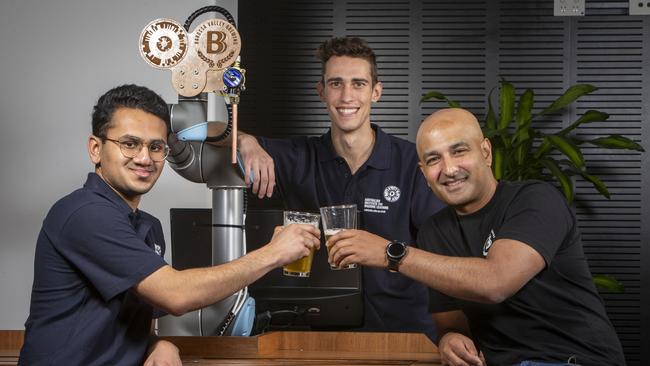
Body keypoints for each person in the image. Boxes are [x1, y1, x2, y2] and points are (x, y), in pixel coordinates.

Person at [18, 84, 320, 366]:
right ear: (96, 149)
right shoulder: (84, 213)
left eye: (156, 147)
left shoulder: (145, 225)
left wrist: (154, 344)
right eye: (129, 144)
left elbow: (128, 319)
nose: (144, 158)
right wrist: (273, 253)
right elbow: (175, 295)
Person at [328, 107, 625, 365]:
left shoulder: (535, 199)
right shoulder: (434, 231)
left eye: (459, 151)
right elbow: (451, 323)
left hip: (571, 360)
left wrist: (391, 254)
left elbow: (496, 283)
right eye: (433, 159)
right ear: (423, 173)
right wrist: (450, 339)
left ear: (485, 151)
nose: (449, 169)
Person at [236, 37, 446, 341]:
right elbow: (207, 136)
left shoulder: (413, 163)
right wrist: (245, 140)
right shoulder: (299, 156)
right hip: (318, 337)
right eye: (336, 83)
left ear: (376, 91)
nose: (347, 95)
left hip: (405, 335)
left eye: (358, 84)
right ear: (321, 91)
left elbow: (444, 256)